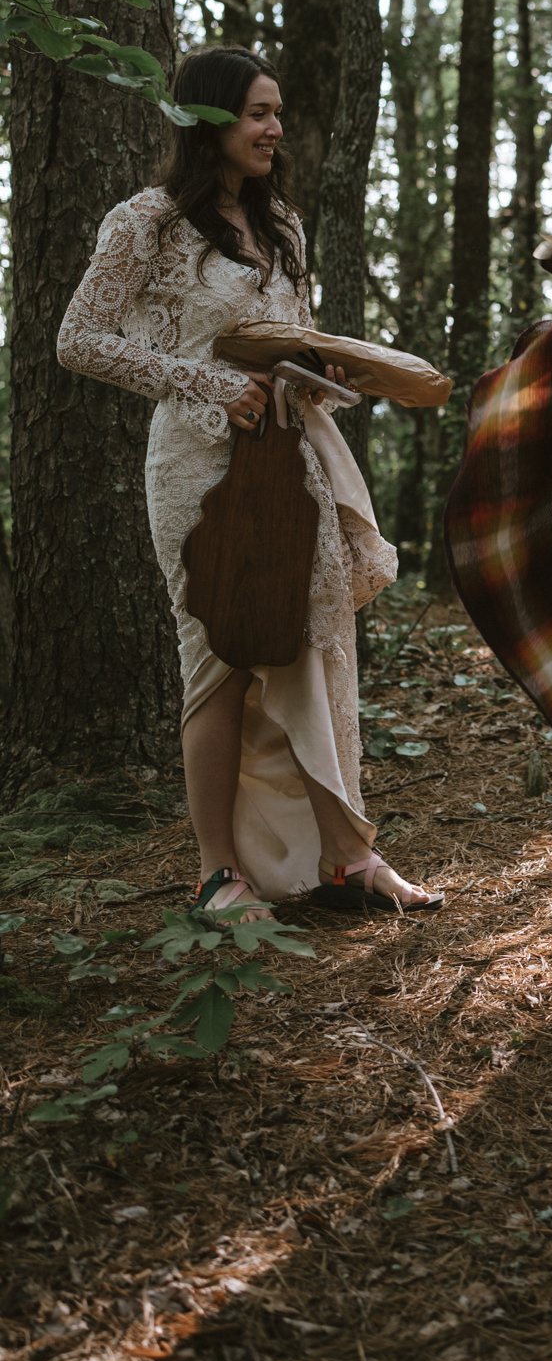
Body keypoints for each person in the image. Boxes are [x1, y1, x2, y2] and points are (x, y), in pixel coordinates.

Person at [58, 46, 441, 924]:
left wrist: (336, 374)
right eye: (257, 114)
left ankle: (345, 857)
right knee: (219, 662)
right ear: (207, 121)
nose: (276, 129)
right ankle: (217, 874)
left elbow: (288, 340)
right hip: (195, 469)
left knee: (313, 649)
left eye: (277, 112)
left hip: (286, 462)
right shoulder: (145, 223)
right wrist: (205, 381)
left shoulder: (283, 225)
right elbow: (77, 340)